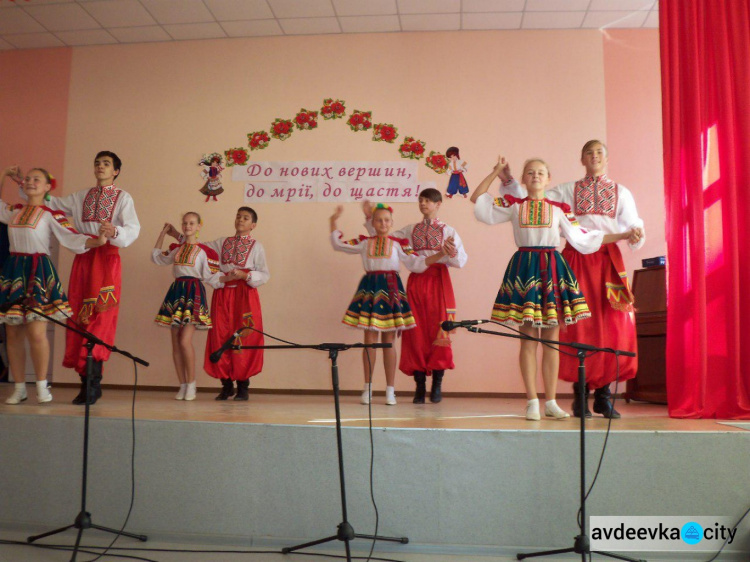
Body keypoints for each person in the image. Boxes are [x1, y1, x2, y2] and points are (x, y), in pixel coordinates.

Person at [472, 157, 634, 421]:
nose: (535, 176)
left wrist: (624, 235)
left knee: (551, 341)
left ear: (548, 179)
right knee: (527, 340)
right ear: (523, 179)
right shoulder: (514, 205)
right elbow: (479, 201)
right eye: (530, 173)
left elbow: (585, 238)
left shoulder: (560, 208)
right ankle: (532, 401)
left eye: (541, 173)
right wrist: (496, 173)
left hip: (552, 269)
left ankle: (551, 402)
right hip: (524, 268)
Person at [36, 151, 140, 405]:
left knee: (101, 316)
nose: (100, 167)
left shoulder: (123, 198)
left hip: (107, 260)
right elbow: (53, 203)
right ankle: (85, 382)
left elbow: (133, 229)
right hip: (84, 258)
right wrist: (30, 187)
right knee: (78, 315)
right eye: (97, 163)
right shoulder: (82, 196)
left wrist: (114, 230)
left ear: (116, 170)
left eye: (106, 164)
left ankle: (94, 381)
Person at [0, 166, 106, 405]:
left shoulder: (50, 214)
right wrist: (5, 175)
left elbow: (72, 237)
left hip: (38, 272)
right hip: (13, 271)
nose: (30, 182)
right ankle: (18, 387)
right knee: (12, 333)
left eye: (37, 179)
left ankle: (40, 385)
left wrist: (97, 241)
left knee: (37, 332)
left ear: (48, 187)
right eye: (27, 179)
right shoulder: (13, 211)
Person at [330, 203, 449, 406]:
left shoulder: (399, 243)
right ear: (372, 223)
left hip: (391, 290)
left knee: (389, 343)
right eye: (378, 220)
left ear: (392, 223)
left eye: (386, 220)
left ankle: (390, 391)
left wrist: (440, 254)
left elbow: (417, 263)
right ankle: (367, 388)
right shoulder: (364, 242)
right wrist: (333, 221)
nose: (383, 223)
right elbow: (339, 244)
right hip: (370, 289)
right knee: (369, 341)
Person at [361, 189, 467, 403]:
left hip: (438, 281)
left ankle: (437, 384)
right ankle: (419, 385)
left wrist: (450, 253)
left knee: (440, 329)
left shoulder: (449, 231)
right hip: (416, 284)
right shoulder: (409, 231)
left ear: (438, 204)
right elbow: (383, 236)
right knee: (414, 332)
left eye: (428, 200)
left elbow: (461, 260)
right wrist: (369, 218)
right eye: (421, 200)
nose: (423, 203)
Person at [170, 207, 268, 401]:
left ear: (253, 225)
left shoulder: (257, 246)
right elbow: (196, 246)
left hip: (244, 295)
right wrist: (176, 234)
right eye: (238, 216)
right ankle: (226, 385)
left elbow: (264, 274)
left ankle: (243, 386)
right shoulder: (221, 243)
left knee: (243, 335)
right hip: (223, 293)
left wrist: (245, 274)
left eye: (246, 218)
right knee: (220, 335)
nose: (240, 220)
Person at [152, 212, 226, 401]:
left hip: (193, 292)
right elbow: (158, 258)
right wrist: (162, 234)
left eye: (192, 223)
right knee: (175, 341)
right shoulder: (177, 249)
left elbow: (212, 277)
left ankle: (192, 384)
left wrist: (229, 278)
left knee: (185, 340)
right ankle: (183, 384)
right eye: (185, 223)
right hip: (176, 291)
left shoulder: (204, 251)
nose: (187, 226)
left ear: (199, 226)